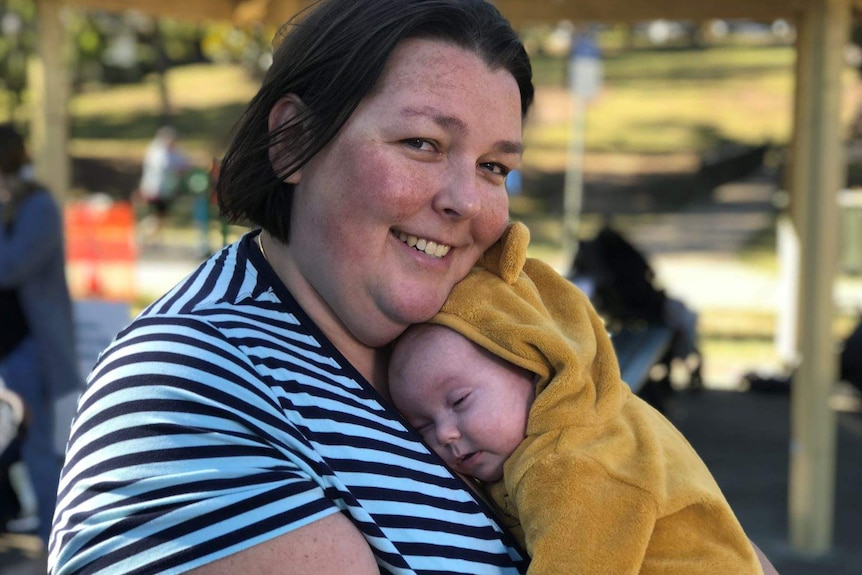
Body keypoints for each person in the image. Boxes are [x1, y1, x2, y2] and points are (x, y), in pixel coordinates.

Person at [49, 1, 534, 573]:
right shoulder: (188, 388)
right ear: (292, 140)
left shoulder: (475, 340)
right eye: (422, 143)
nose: (467, 200)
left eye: (493, 167)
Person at [389, 221, 768, 574]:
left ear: (531, 365)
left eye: (460, 402)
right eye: (422, 426)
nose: (445, 434)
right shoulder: (590, 409)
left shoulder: (573, 464)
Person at [0, 123, 83, 545]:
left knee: (41, 448)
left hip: (32, 348)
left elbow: (12, 265)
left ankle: (57, 541)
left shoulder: (37, 205)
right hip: (12, 346)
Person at [137, 125, 189, 241]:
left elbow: (184, 165)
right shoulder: (156, 151)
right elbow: (164, 166)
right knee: (156, 215)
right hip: (154, 189)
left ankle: (150, 236)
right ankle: (142, 233)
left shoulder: (176, 151)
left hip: (168, 189)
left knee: (162, 217)